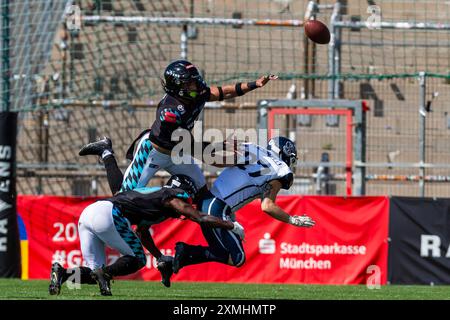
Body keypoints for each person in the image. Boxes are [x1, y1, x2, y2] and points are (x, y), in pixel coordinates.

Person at [78, 60, 278, 200]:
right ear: (178, 86)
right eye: (190, 81)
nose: (196, 84)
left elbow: (222, 92)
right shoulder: (170, 111)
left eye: (194, 78)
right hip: (154, 152)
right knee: (123, 198)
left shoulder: (196, 94)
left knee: (201, 190)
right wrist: (220, 147)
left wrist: (254, 84)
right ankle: (106, 152)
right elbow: (191, 145)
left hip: (177, 152)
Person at [48, 175, 244, 296]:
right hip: (109, 213)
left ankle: (63, 274)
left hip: (89, 213)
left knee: (93, 273)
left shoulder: (157, 198)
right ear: (185, 192)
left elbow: (141, 232)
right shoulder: (172, 198)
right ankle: (105, 274)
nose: (189, 204)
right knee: (138, 259)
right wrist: (231, 225)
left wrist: (159, 257)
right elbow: (200, 217)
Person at [171, 137, 315, 274]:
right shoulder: (281, 170)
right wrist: (292, 220)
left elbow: (219, 161)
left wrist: (193, 150)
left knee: (221, 251)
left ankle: (173, 260)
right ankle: (185, 251)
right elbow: (267, 206)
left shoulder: (252, 148)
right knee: (237, 258)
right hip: (217, 208)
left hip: (207, 202)